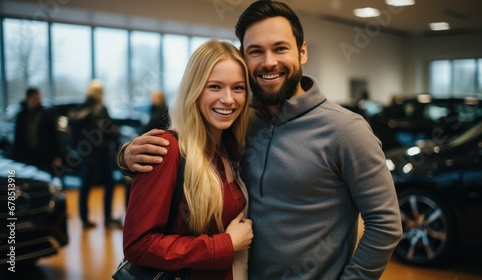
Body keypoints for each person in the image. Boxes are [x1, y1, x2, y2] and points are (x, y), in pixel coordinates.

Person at [117, 1, 402, 279]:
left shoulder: (346, 130)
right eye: (256, 51)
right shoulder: (240, 121)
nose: (269, 62)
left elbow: (386, 225)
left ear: (302, 52)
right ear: (244, 57)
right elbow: (189, 143)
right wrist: (127, 156)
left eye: (280, 48)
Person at [122, 40, 253, 280]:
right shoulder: (168, 149)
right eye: (214, 87)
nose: (228, 99)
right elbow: (139, 245)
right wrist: (224, 245)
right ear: (195, 89)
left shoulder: (228, 148)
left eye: (238, 88)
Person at [68, 80, 121, 229]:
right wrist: (117, 138)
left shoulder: (78, 110)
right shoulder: (100, 108)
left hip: (85, 153)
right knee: (109, 183)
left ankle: (84, 219)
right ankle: (108, 217)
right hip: (100, 153)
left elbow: (73, 134)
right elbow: (108, 130)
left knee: (85, 185)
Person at [13, 87, 61, 175]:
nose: (36, 101)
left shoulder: (46, 114)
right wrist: (16, 156)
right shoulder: (21, 116)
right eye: (34, 99)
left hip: (43, 153)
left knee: (44, 176)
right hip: (26, 153)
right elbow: (18, 137)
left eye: (38, 99)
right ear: (28, 99)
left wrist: (56, 155)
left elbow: (53, 135)